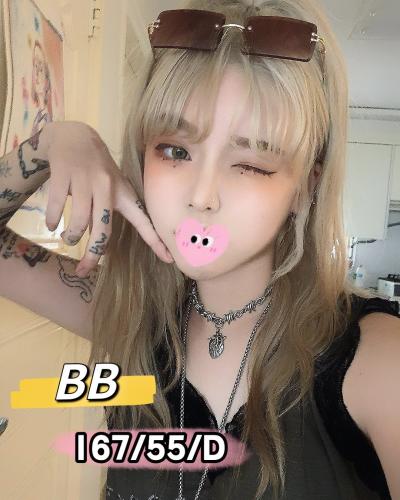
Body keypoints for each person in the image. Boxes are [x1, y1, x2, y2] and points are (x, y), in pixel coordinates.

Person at [0, 0, 399, 499]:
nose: (202, 196)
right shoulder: (130, 315)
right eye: (175, 151)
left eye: (250, 164)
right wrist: (49, 144)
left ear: (306, 187)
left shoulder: (377, 361)